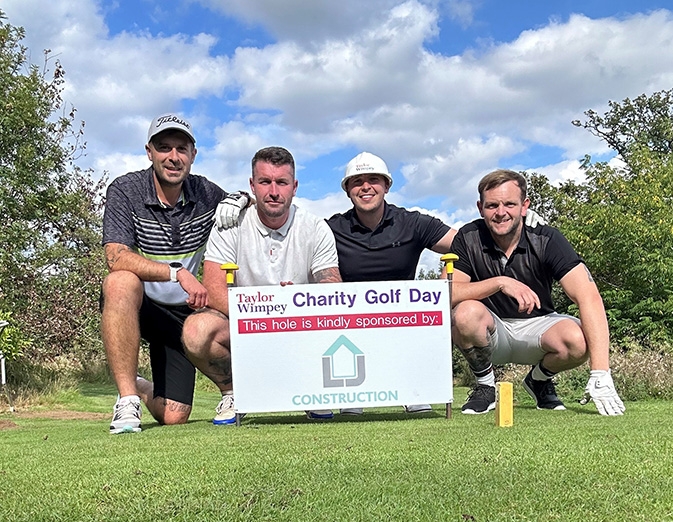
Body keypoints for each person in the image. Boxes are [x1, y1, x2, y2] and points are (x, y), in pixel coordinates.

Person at [101, 113, 249, 434]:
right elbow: (116, 256)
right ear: (149, 151)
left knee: (173, 416)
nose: (173, 157)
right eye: (164, 147)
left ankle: (224, 394)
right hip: (147, 308)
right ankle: (128, 399)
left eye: (181, 149)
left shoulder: (206, 192)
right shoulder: (126, 190)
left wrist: (242, 198)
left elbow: (253, 210)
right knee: (119, 281)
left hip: (187, 312)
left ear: (193, 155)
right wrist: (175, 272)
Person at [181, 146, 342, 424]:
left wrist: (298, 301)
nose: (274, 191)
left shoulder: (315, 227)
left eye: (282, 182)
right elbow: (214, 287)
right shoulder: (228, 225)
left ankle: (311, 386)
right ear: (252, 185)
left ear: (295, 187)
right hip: (245, 326)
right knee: (196, 330)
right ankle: (233, 392)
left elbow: (332, 287)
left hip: (300, 327)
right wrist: (267, 312)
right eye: (265, 182)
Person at [448, 169, 625, 416]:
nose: (501, 213)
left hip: (539, 328)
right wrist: (500, 282)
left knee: (578, 339)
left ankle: (538, 381)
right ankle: (486, 387)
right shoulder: (468, 237)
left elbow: (589, 296)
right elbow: (445, 294)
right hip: (493, 329)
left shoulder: (547, 238)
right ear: (480, 208)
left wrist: (601, 372)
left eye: (510, 204)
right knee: (464, 313)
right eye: (492, 205)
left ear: (524, 206)